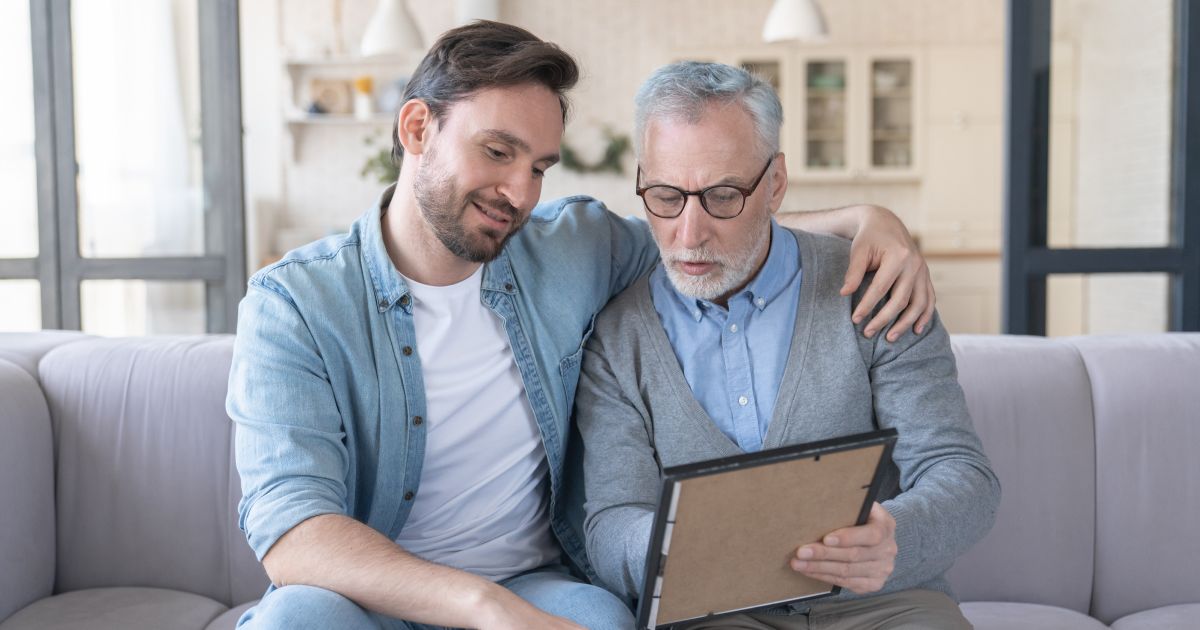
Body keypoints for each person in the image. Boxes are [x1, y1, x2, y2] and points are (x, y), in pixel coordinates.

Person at [228, 22, 938, 630]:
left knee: (599, 620)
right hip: (370, 596)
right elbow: (292, 531)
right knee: (294, 619)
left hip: (534, 581)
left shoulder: (570, 248)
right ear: (418, 128)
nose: (520, 194)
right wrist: (484, 609)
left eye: (539, 167)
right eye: (497, 152)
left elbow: (704, 231)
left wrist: (868, 220)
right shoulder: (295, 304)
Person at [574, 61, 1000, 629]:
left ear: (775, 183)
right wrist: (681, 547)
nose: (689, 233)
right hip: (710, 612)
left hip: (882, 606)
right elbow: (609, 524)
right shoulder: (617, 337)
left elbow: (962, 475)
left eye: (724, 196)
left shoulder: (875, 290)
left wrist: (897, 535)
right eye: (665, 195)